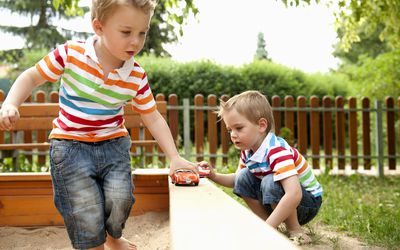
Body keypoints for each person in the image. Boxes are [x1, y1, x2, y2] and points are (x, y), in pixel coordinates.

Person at [0, 0, 196, 249]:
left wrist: (174, 156)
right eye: (126, 32)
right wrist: (11, 103)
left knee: (120, 198)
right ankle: (95, 245)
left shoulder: (135, 75)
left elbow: (152, 116)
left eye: (142, 33)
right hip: (70, 147)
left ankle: (114, 237)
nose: (135, 41)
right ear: (99, 27)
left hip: (113, 146)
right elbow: (32, 76)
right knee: (83, 206)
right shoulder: (70, 54)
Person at [197, 90, 323, 244]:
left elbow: (294, 194)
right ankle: (267, 226)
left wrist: (268, 228)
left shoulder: (277, 150)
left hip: (306, 204)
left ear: (261, 125)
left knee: (270, 180)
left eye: (239, 128)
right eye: (230, 130)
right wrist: (213, 175)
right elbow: (237, 180)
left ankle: (294, 229)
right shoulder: (248, 151)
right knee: (243, 176)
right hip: (277, 200)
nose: (233, 135)